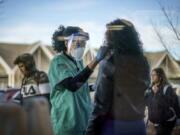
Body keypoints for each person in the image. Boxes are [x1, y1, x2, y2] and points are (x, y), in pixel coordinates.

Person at [86, 19, 150, 135]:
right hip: (138, 126)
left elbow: (101, 106)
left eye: (106, 34)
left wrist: (90, 131)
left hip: (114, 127)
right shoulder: (144, 62)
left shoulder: (109, 62)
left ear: (112, 38)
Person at [48, 25, 108, 135]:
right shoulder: (57, 62)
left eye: (84, 42)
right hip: (66, 122)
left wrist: (92, 87)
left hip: (83, 120)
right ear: (66, 43)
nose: (82, 46)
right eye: (78, 42)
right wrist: (96, 60)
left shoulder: (79, 62)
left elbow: (80, 83)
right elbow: (72, 85)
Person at [146, 67, 180, 135]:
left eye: (154, 75)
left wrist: (157, 94)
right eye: (151, 75)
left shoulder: (167, 89)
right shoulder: (150, 89)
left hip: (166, 122)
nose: (152, 77)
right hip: (156, 122)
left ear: (160, 76)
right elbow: (150, 104)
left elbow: (170, 104)